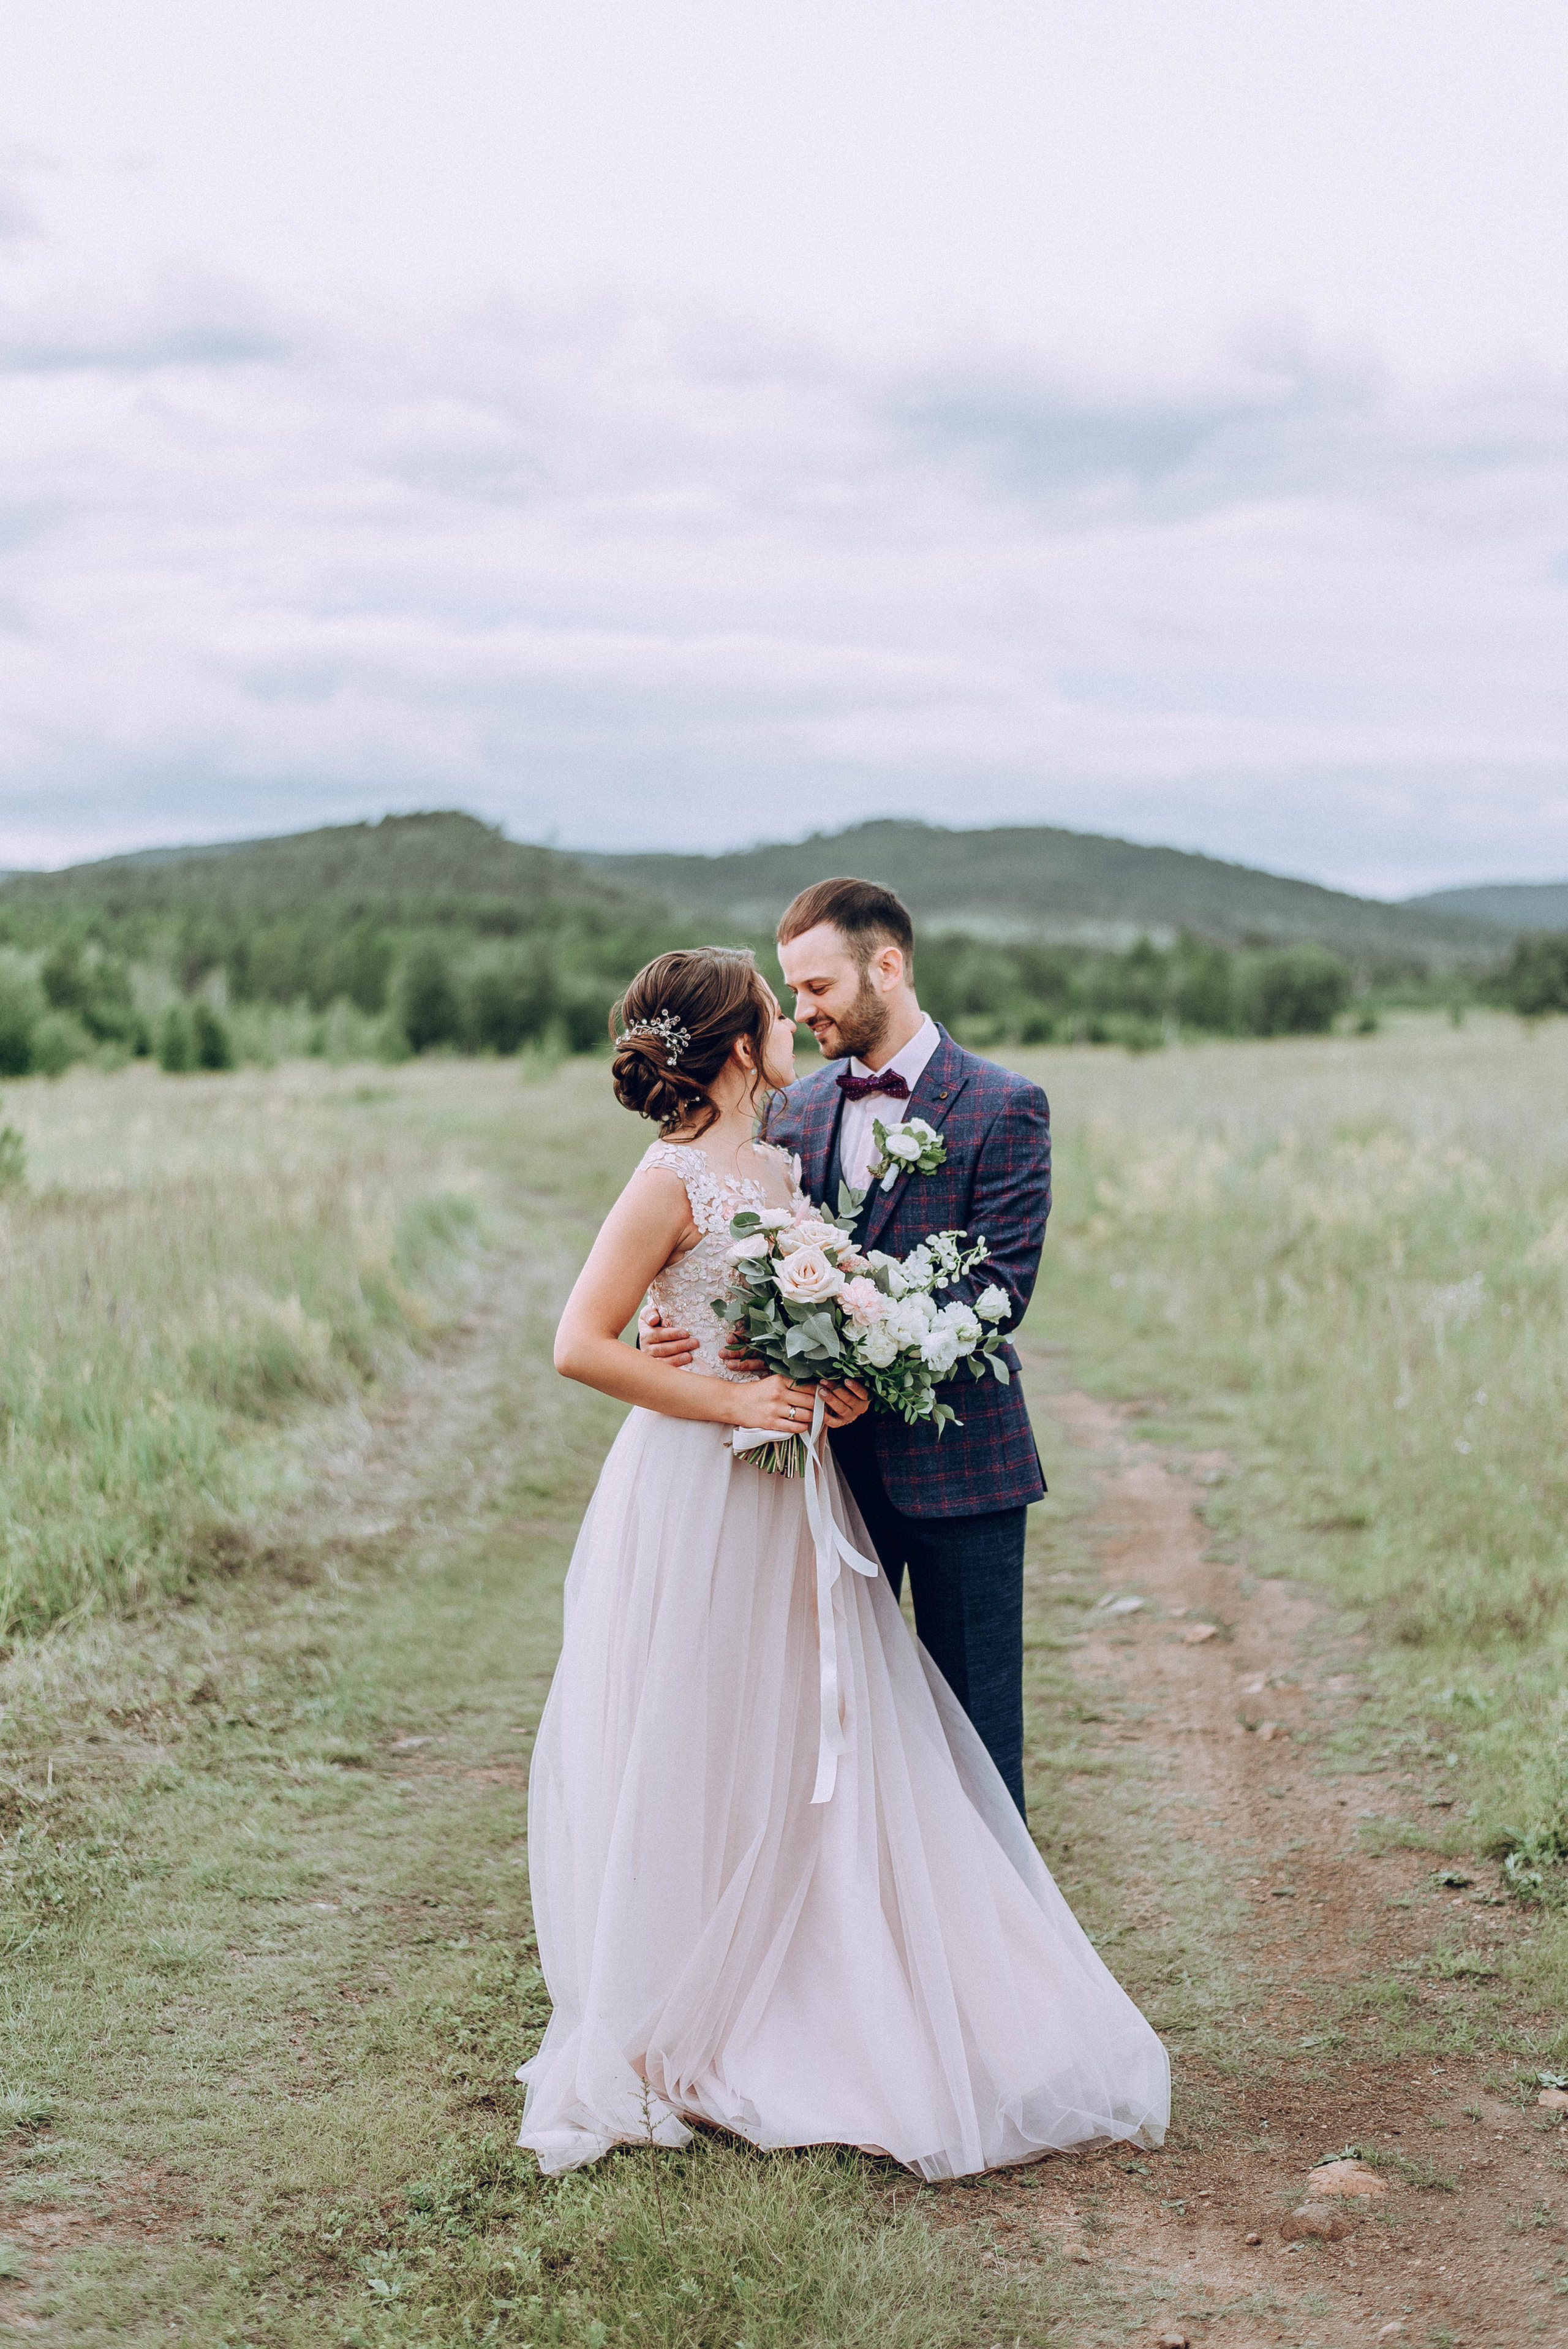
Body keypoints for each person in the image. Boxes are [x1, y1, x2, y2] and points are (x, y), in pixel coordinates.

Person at [518, 944, 1168, 2179]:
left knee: (801, 1740)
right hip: (704, 1487)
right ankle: (684, 2002)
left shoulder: (773, 1160)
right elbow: (577, 1343)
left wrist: (837, 1378)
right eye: (771, 1011)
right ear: (729, 1047)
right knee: (703, 1729)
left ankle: (827, 1968)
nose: (789, 1022)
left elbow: (764, 1311)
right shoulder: (666, 1179)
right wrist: (729, 1403)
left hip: (797, 1487)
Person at [644, 877, 1048, 1818]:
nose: (801, 1010)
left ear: (888, 965)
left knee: (978, 1736)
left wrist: (860, 1358)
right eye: (790, 990)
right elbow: (728, 1249)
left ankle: (997, 1950)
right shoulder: (793, 1107)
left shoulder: (1004, 1104)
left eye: (817, 986)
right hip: (815, 1474)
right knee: (830, 1727)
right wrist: (666, 1320)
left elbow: (999, 1293)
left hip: (965, 1478)